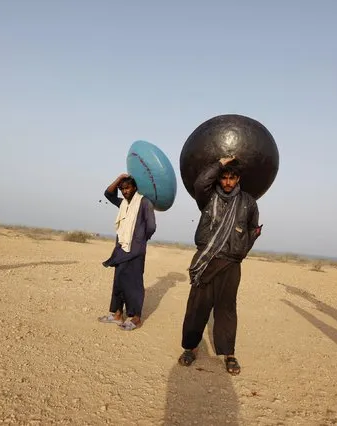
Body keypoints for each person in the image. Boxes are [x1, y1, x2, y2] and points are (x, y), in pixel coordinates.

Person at [177, 156, 262, 375]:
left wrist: (241, 250)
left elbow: (253, 230)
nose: (227, 182)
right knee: (197, 308)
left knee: (226, 310)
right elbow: (199, 183)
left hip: (231, 263)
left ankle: (229, 354)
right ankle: (190, 348)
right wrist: (220, 163)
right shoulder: (207, 198)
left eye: (231, 178)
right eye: (223, 177)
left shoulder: (248, 202)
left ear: (238, 179)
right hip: (206, 261)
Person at [98, 173, 156, 331]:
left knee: (134, 284)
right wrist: (118, 179)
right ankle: (117, 314)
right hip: (121, 248)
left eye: (127, 187)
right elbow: (108, 194)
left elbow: (151, 226)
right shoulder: (123, 203)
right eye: (122, 189)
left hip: (136, 250)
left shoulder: (144, 202)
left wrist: (139, 240)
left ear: (135, 187)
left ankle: (136, 317)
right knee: (119, 281)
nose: (124, 191)